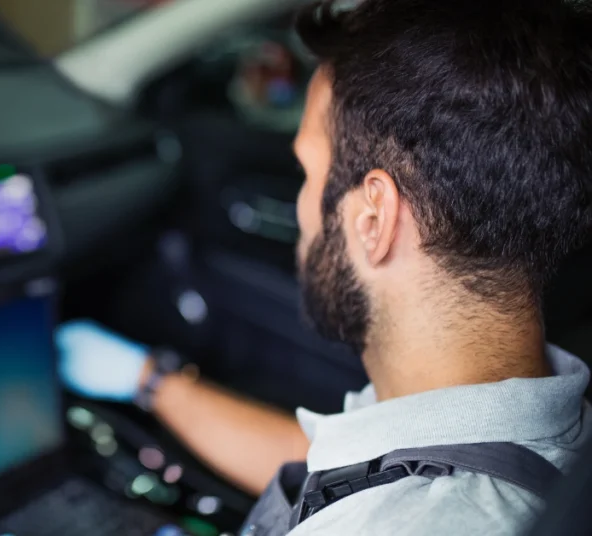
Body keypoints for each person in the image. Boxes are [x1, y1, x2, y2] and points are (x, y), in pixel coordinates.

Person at [58, 0, 592, 534]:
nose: (301, 208)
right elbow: (332, 464)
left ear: (374, 220)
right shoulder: (528, 422)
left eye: (307, 171)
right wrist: (150, 380)